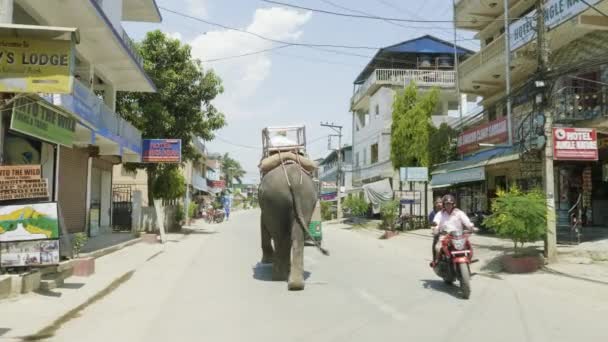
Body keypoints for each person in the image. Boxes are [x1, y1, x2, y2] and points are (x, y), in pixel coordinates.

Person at [431, 194, 475, 266]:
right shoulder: (440, 214)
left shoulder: (459, 213)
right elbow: (436, 222)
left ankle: (468, 259)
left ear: (453, 204)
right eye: (446, 204)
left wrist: (471, 227)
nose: (448, 206)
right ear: (444, 205)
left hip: (459, 236)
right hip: (445, 235)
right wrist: (435, 228)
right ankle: (436, 262)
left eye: (450, 204)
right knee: (437, 247)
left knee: (469, 245)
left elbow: (466, 221)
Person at [428, 197, 443, 262]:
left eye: (440, 202)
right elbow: (431, 223)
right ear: (435, 204)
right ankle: (435, 260)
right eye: (437, 203)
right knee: (435, 242)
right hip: (438, 232)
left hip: (448, 231)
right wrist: (434, 228)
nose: (439, 204)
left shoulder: (445, 211)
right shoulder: (432, 213)